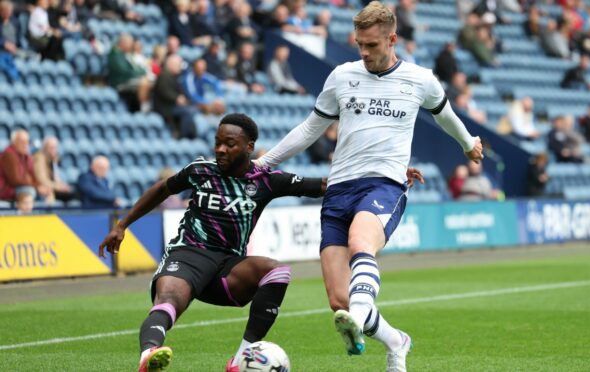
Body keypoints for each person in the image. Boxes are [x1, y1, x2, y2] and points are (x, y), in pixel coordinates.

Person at [254, 2, 483, 370]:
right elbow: (310, 128)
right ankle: (396, 341)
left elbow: (447, 116)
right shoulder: (342, 75)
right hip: (339, 188)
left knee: (362, 244)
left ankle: (358, 322)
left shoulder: (420, 79)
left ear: (392, 39)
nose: (364, 51)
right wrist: (263, 164)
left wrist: (468, 142)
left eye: (372, 45)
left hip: (384, 185)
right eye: (359, 43)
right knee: (338, 299)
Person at [98, 113, 328, 372]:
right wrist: (122, 225)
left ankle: (240, 360)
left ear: (249, 147)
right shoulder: (200, 170)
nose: (220, 149)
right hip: (188, 255)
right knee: (168, 301)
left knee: (278, 271)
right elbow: (162, 189)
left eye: (229, 144)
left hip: (228, 268)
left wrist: (365, 183)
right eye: (217, 142)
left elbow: (321, 186)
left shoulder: (266, 181)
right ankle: (149, 354)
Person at [0, 129, 49, 202]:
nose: (26, 144)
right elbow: (14, 181)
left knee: (45, 191)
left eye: (27, 142)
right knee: (30, 191)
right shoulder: (9, 154)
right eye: (22, 142)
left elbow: (33, 176)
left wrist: (40, 186)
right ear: (14, 142)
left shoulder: (26, 156)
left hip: (20, 187)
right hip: (6, 190)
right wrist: (35, 186)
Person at [33, 136, 75, 203]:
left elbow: (56, 177)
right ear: (45, 148)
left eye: (55, 147)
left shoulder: (53, 159)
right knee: (73, 195)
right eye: (51, 147)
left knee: (75, 192)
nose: (54, 150)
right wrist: (58, 187)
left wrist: (62, 186)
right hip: (45, 188)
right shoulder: (39, 158)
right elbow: (42, 180)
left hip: (53, 187)